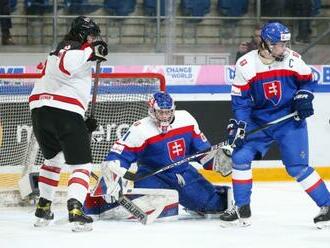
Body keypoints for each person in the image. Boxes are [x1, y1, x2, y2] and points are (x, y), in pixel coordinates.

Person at [219, 22, 330, 229]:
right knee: (240, 157)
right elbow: (241, 101)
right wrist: (241, 125)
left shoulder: (293, 60)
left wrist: (304, 96)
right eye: (278, 44)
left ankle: (328, 205)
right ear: (265, 43)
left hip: (289, 120)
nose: (283, 49)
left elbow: (309, 80)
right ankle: (241, 207)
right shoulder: (245, 64)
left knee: (296, 167)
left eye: (285, 44)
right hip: (259, 120)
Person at [84, 92, 232, 220]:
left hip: (183, 174)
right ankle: (99, 204)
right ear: (152, 111)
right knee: (145, 209)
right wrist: (112, 176)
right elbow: (119, 155)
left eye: (168, 112)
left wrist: (219, 160)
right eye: (161, 112)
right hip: (151, 176)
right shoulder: (140, 129)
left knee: (215, 206)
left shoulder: (187, 119)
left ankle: (203, 200)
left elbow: (203, 152)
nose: (165, 116)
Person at [29, 16, 108, 232]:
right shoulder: (72, 48)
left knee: (53, 160)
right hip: (63, 111)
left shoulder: (58, 51)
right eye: (91, 35)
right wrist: (90, 51)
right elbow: (67, 65)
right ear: (81, 34)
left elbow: (61, 80)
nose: (93, 39)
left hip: (40, 112)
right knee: (82, 166)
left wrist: (80, 121)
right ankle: (76, 210)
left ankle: (43, 208)